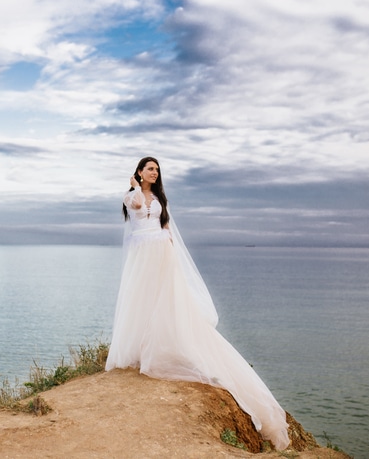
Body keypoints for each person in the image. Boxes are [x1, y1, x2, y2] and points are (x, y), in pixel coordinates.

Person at [105, 156, 290, 450]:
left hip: (162, 253)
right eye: (149, 168)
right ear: (139, 172)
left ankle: (162, 346)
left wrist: (173, 253)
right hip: (142, 256)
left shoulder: (161, 198)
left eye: (156, 169)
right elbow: (138, 208)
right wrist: (134, 186)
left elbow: (165, 227)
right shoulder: (132, 196)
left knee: (165, 303)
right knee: (142, 301)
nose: (154, 172)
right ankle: (140, 348)